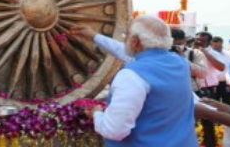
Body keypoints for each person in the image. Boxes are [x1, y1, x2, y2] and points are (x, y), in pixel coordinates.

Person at [79, 15, 198, 146]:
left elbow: (114, 131)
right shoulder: (180, 63)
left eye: (127, 36)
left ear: (135, 41)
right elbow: (126, 52)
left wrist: (97, 114)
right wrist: (94, 36)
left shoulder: (131, 75)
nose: (125, 40)